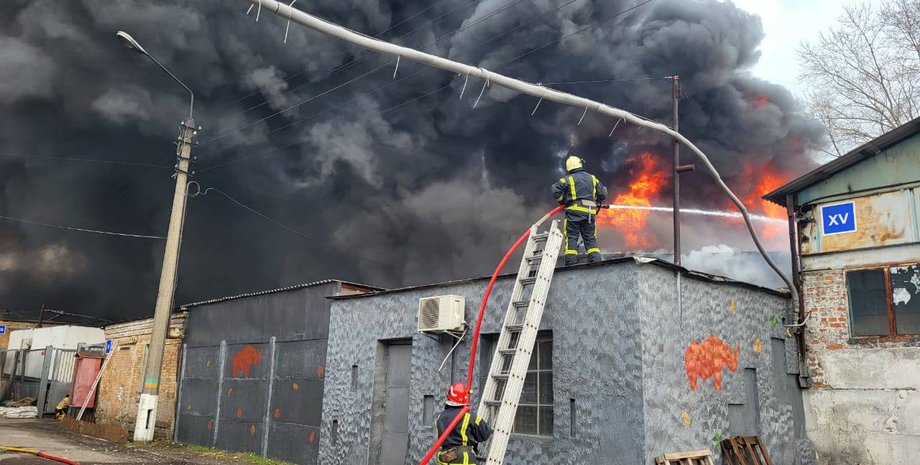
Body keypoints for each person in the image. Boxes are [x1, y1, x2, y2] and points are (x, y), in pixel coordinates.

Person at [551, 155, 608, 265]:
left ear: (569, 168)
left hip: (574, 213)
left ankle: (571, 264)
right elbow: (603, 194)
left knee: (572, 237)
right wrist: (596, 199)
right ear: (580, 164)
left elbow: (555, 189)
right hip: (589, 214)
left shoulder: (568, 179)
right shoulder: (592, 178)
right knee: (590, 239)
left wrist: (562, 201)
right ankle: (596, 262)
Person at [435, 383, 492, 465]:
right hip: (463, 459)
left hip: (444, 458)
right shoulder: (469, 416)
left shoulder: (440, 417)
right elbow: (485, 434)